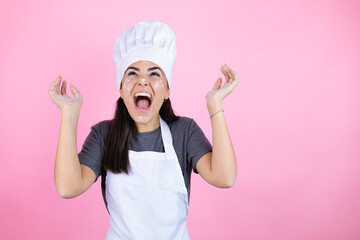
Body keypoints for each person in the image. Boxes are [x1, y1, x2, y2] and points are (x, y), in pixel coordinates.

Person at [48, 21, 239, 240]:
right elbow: (67, 187)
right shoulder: (104, 135)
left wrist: (215, 104)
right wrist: (69, 115)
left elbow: (224, 177)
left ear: (167, 90)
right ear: (121, 88)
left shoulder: (184, 132)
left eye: (154, 74)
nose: (142, 81)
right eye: (132, 73)